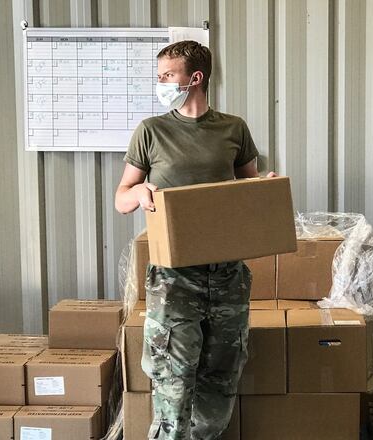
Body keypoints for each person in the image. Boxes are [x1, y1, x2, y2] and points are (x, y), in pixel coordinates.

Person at [115, 40, 275, 440]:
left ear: (195, 77)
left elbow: (247, 187)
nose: (162, 83)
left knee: (221, 377)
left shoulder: (233, 128)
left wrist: (266, 190)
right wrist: (139, 193)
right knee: (173, 378)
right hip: (174, 277)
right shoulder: (151, 131)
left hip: (226, 275)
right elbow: (122, 197)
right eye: (161, 76)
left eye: (168, 75)